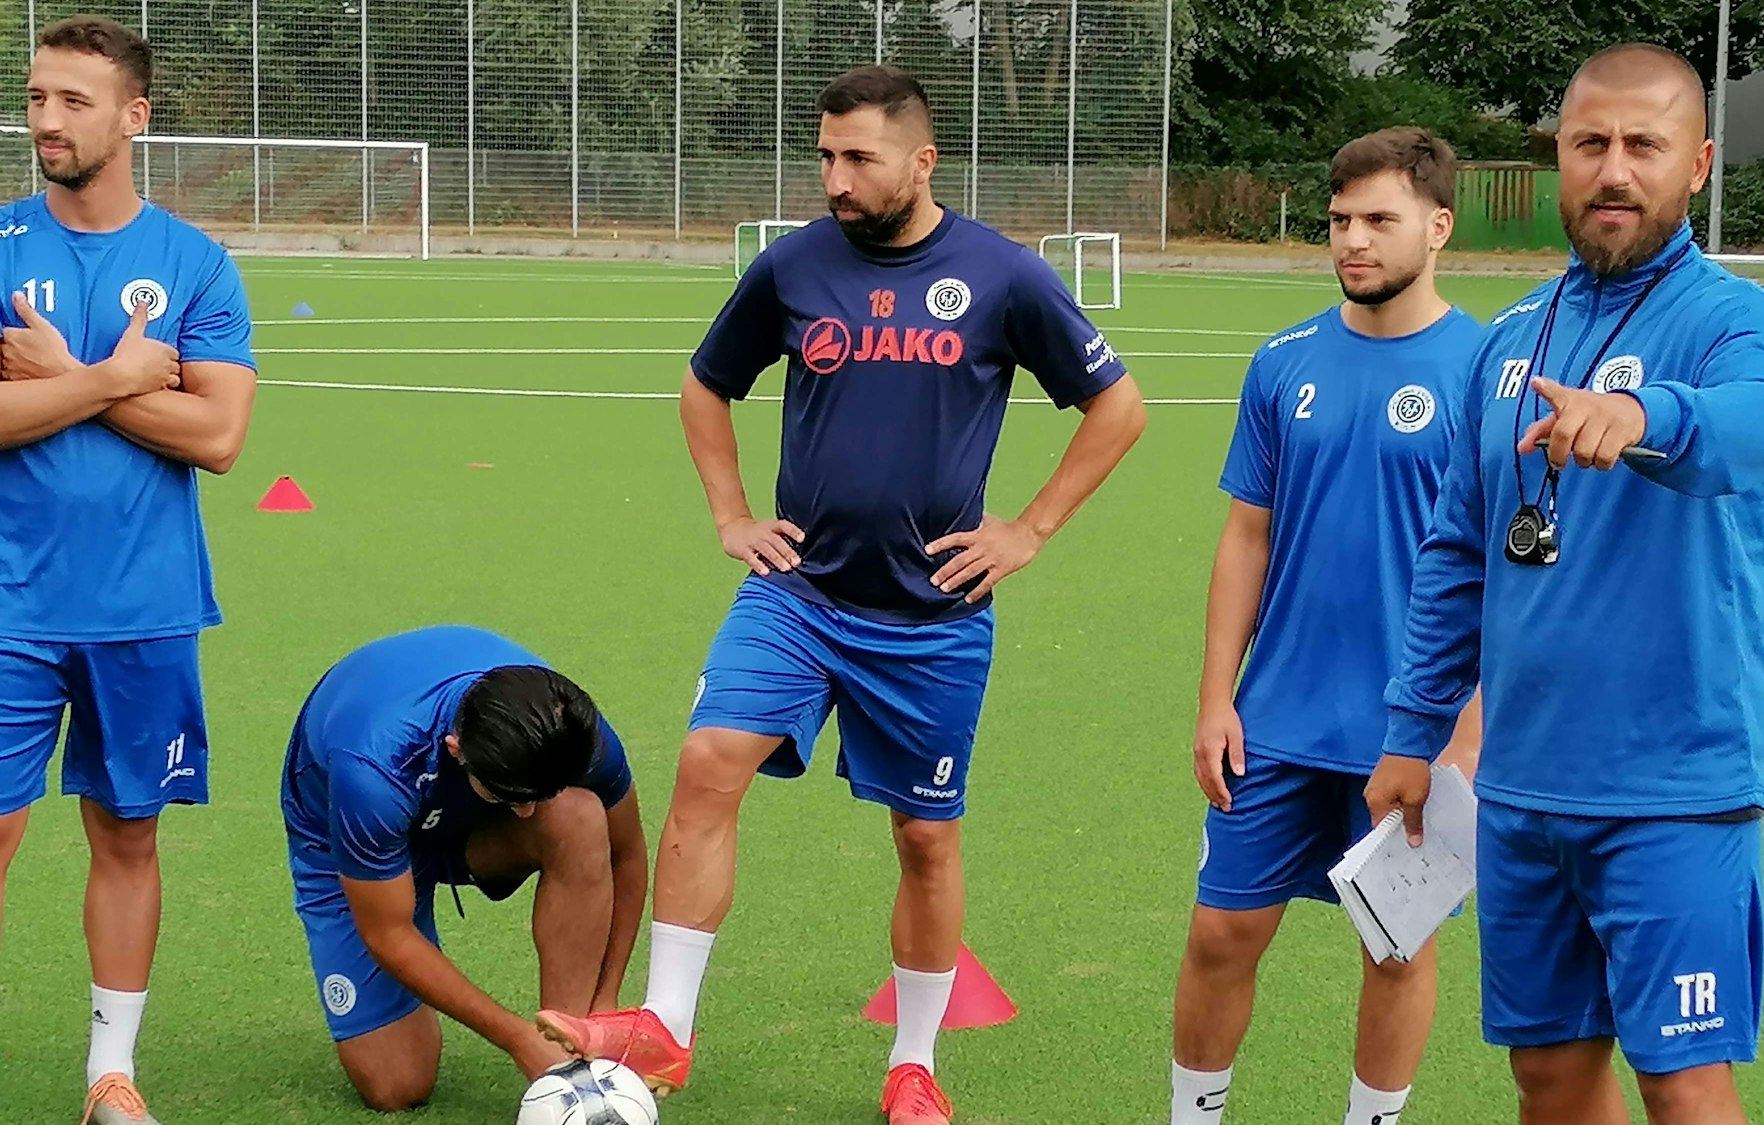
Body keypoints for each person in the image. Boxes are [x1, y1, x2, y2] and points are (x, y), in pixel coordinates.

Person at [536, 64, 1147, 1125]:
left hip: (930, 617)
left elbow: (1117, 404)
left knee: (925, 838)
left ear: (922, 160)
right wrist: (730, 512)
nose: (834, 178)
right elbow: (704, 382)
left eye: (857, 157)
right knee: (706, 760)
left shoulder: (1000, 276)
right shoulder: (791, 267)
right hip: (799, 595)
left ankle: (912, 1064)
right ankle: (667, 1028)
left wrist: (1028, 528)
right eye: (824, 155)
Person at [1364, 43, 1764, 1125]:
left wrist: (1648, 416)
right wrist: (1411, 731)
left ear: (1695, 164)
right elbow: (1456, 549)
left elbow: (1761, 423)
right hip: (1518, 789)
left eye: (1642, 146)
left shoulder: (1729, 318)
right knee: (1548, 1076)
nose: (1614, 171)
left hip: (1673, 788)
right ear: (1556, 158)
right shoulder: (1509, 337)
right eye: (1589, 144)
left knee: (1681, 1079)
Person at [1168, 127, 1485, 1125]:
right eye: (1339, 219)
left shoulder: (1484, 372)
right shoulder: (1281, 362)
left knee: (1395, 945)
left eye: (1377, 219)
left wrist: (1462, 748)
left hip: (1411, 735)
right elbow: (1244, 539)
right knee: (1219, 936)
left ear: (1435, 227)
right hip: (1276, 723)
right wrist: (1216, 697)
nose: (1351, 239)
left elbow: (1508, 580)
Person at [0, 16, 258, 1125]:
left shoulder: (195, 263)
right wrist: (106, 377)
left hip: (145, 606)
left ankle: (113, 1074)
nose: (45, 120)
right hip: (9, 599)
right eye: (36, 97)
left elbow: (219, 437)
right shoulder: (2, 244)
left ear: (134, 118)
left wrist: (62, 380)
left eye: (72, 100)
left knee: (128, 831)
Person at [281, 625, 649, 1111]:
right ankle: (539, 1049)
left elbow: (627, 854)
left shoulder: (573, 733)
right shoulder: (371, 769)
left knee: (577, 815)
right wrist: (515, 1037)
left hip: (467, 820)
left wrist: (606, 1004)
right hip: (347, 835)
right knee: (396, 1086)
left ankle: (567, 1044)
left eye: (536, 797)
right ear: (456, 749)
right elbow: (388, 932)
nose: (525, 815)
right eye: (511, 798)